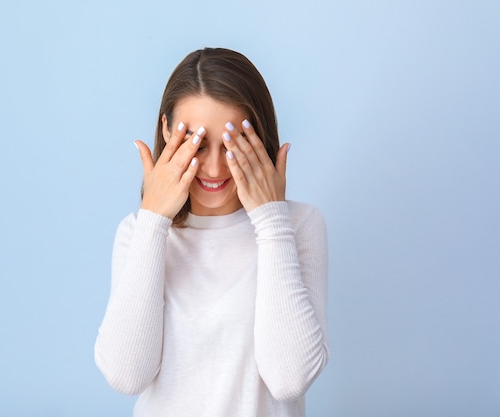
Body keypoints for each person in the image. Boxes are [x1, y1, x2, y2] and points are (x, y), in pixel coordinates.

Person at [94, 47, 329, 417]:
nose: (216, 168)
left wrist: (271, 219)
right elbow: (126, 376)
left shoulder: (298, 227)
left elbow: (289, 379)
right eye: (198, 144)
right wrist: (154, 220)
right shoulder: (137, 233)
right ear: (167, 131)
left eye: (233, 145)